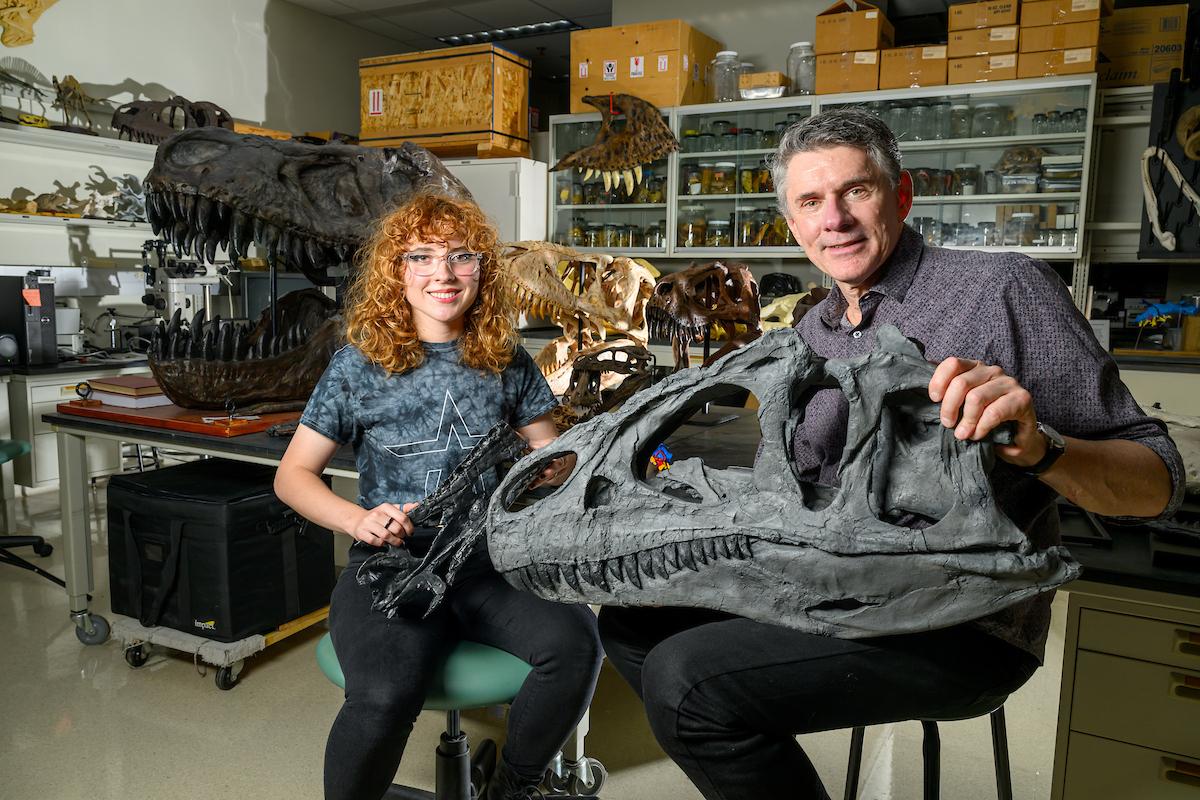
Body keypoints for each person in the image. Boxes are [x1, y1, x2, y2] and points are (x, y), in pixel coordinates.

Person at [597, 108, 1184, 800]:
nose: (834, 220)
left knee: (687, 682)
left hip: (962, 622)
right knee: (632, 624)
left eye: (856, 191)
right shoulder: (813, 328)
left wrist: (1040, 449)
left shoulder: (1002, 291)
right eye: (810, 202)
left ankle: (728, 712)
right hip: (826, 585)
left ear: (901, 196)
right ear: (792, 224)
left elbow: (1158, 481)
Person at [275, 194, 602, 800]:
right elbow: (292, 475)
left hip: (491, 559)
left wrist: (560, 464)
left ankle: (513, 787)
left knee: (576, 647)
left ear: (483, 269)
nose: (442, 274)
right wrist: (357, 518)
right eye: (420, 257)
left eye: (460, 257)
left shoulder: (507, 360)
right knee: (383, 695)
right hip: (394, 561)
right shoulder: (356, 367)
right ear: (396, 271)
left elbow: (550, 453)